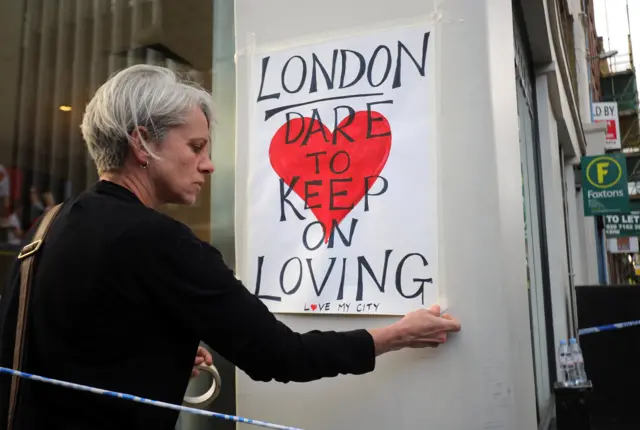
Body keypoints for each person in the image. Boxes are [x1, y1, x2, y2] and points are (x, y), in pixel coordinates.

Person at [0, 65, 461, 430]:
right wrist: (396, 335)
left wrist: (163, 349)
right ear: (142, 142)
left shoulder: (49, 223)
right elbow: (280, 356)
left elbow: (65, 344)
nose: (208, 164)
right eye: (196, 145)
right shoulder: (158, 240)